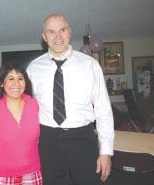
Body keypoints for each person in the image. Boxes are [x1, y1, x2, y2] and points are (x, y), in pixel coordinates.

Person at [26, 13, 114, 185]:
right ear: (44, 37)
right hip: (48, 141)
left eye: (62, 30)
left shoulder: (90, 65)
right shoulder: (33, 69)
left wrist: (106, 152)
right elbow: (26, 108)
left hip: (83, 139)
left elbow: (103, 110)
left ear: (70, 32)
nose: (57, 36)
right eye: (51, 31)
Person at [0, 63, 43, 185]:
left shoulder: (34, 104)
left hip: (32, 173)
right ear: (1, 83)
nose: (16, 84)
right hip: (1, 176)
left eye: (20, 78)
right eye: (11, 78)